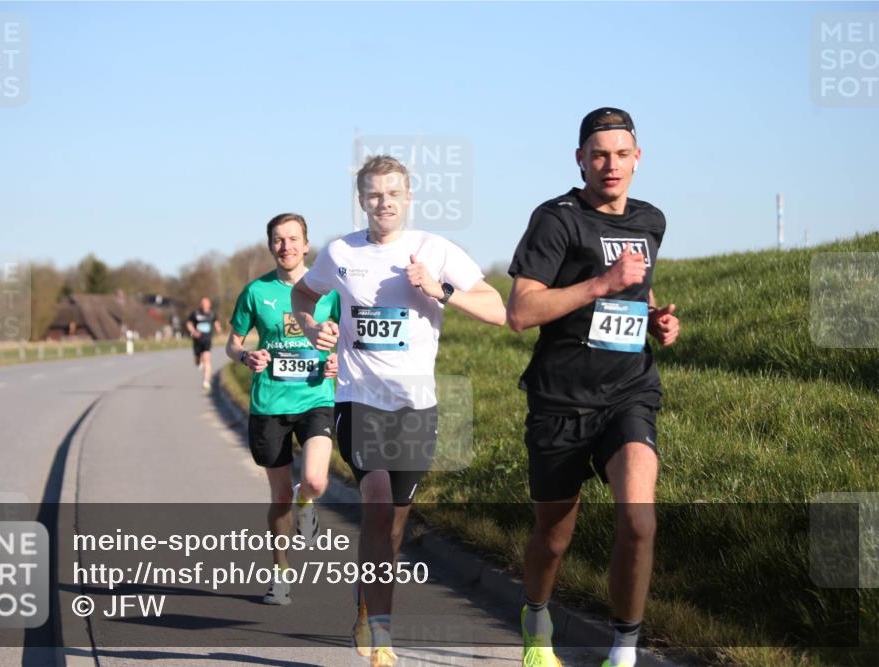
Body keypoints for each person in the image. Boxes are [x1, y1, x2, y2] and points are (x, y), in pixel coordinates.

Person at [292, 155, 506, 666]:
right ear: (362, 200)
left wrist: (441, 290)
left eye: (392, 193)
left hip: (417, 407)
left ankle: (367, 606)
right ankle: (383, 637)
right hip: (358, 399)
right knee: (379, 502)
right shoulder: (340, 252)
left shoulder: (434, 249)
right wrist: (309, 326)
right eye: (373, 194)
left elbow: (499, 309)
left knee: (392, 528)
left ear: (408, 197)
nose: (383, 202)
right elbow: (304, 294)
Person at [506, 108, 680, 667]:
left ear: (638, 158)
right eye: (599, 154)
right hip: (559, 399)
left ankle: (623, 650)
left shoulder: (651, 220)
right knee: (553, 538)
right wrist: (601, 283)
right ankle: (536, 616)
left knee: (638, 518)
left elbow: (635, 292)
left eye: (622, 154)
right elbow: (521, 311)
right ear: (579, 159)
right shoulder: (556, 220)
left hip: (629, 391)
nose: (611, 165)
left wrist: (653, 317)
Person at [226, 212, 340, 606]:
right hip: (270, 403)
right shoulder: (256, 292)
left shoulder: (332, 292)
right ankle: (280, 575)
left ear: (307, 245)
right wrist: (246, 357)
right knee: (278, 499)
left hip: (316, 398)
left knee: (316, 480)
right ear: (270, 245)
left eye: (293, 239)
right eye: (278, 239)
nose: (286, 246)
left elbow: (347, 342)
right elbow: (232, 343)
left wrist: (337, 360)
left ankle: (308, 502)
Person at [186, 297, 222, 391]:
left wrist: (218, 328)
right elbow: (189, 324)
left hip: (207, 340)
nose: (204, 304)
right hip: (197, 340)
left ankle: (206, 382)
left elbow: (216, 322)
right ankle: (199, 362)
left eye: (206, 303)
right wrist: (193, 331)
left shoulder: (212, 313)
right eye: (202, 303)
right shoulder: (195, 313)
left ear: (209, 304)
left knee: (207, 359)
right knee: (197, 361)